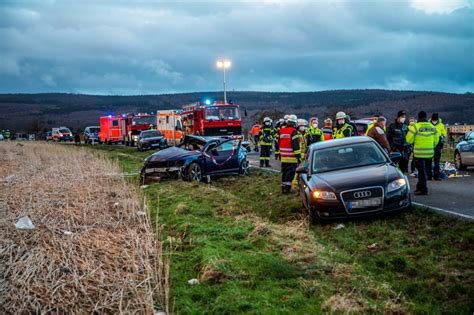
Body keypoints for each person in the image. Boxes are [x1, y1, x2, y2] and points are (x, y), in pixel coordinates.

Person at [406, 111, 439, 195]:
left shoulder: (415, 127)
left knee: (421, 172)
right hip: (429, 153)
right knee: (424, 171)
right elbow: (436, 140)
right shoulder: (432, 127)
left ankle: (423, 189)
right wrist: (431, 146)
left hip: (419, 153)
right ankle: (419, 188)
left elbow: (408, 140)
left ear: (418, 118)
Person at [279, 114, 302, 194]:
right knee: (290, 174)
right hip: (291, 157)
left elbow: (279, 142)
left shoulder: (281, 130)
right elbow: (295, 144)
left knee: (284, 173)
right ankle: (287, 189)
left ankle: (283, 188)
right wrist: (298, 156)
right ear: (294, 123)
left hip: (283, 156)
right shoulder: (293, 131)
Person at [428, 113, 447, 180]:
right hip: (429, 143)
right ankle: (429, 175)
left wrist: (442, 137)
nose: (434, 121)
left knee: (437, 161)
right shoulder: (428, 124)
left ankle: (436, 176)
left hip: (438, 144)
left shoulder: (441, 125)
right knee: (429, 161)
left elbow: (444, 133)